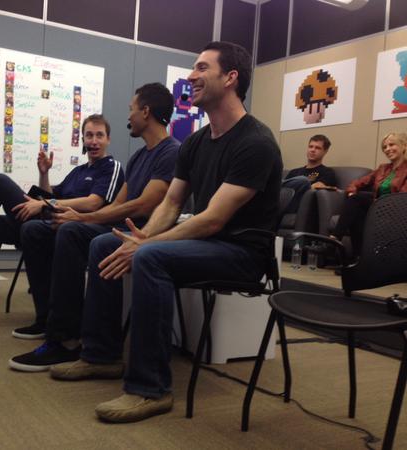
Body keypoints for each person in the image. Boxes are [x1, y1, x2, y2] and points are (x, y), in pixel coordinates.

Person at [50, 41, 282, 423]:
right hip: (207, 241)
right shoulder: (196, 143)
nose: (191, 75)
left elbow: (213, 220)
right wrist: (140, 238)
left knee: (150, 256)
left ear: (231, 78)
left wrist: (147, 245)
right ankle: (101, 355)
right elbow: (171, 204)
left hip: (241, 253)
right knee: (107, 244)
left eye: (202, 68)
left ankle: (150, 389)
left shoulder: (255, 142)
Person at [8, 82, 180, 369]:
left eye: (132, 109)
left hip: (141, 232)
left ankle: (65, 340)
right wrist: (76, 215)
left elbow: (143, 205)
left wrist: (82, 218)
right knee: (37, 230)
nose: (129, 116)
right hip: (118, 226)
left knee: (72, 231)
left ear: (145, 112)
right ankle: (51, 323)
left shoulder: (171, 152)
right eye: (89, 135)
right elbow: (117, 205)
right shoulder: (139, 156)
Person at [0, 114, 124, 323]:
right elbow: (50, 195)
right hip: (41, 220)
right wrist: (44, 174)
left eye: (99, 135)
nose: (94, 141)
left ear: (108, 139)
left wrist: (44, 204)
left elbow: (93, 203)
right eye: (89, 135)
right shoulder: (78, 172)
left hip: (63, 227)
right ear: (83, 139)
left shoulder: (111, 167)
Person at [331, 132, 407, 257]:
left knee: (357, 201)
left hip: (396, 209)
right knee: (356, 210)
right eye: (384, 147)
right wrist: (351, 192)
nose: (387, 149)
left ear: (404, 146)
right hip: (377, 206)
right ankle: (358, 258)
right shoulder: (383, 168)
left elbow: (402, 197)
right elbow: (357, 183)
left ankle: (335, 240)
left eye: (391, 145)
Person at [282, 134, 336, 214]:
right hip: (282, 201)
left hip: (300, 205)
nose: (312, 150)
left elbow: (317, 188)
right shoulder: (294, 172)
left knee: (304, 181)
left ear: (325, 151)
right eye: (310, 147)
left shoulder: (327, 172)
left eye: (317, 148)